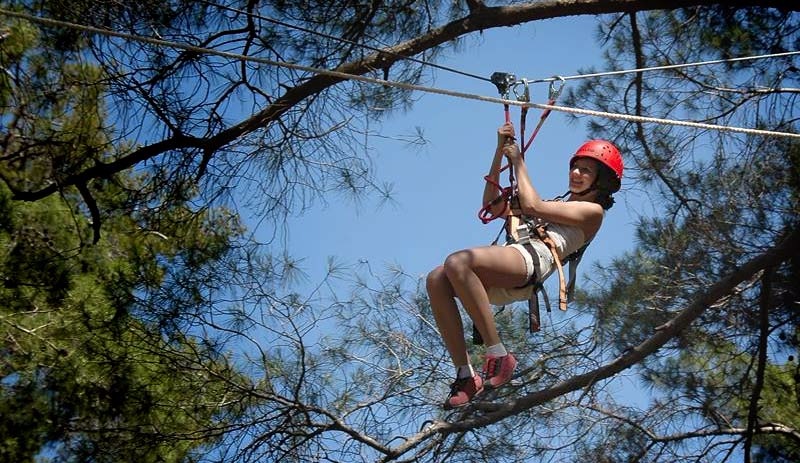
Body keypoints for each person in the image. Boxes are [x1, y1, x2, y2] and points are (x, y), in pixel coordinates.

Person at [426, 121, 623, 409]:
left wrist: (518, 161)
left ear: (601, 181)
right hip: (511, 262)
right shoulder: (555, 204)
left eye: (586, 170)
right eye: (575, 167)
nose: (576, 174)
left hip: (531, 262)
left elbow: (531, 205)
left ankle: (498, 354)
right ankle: (465, 375)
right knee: (436, 279)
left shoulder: (593, 213)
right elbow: (492, 205)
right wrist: (498, 154)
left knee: (458, 262)